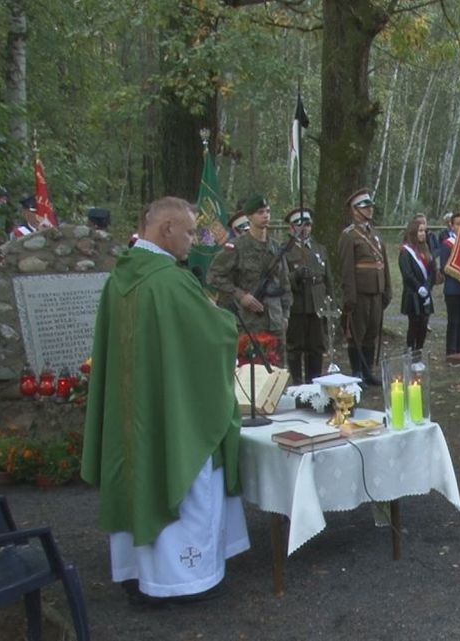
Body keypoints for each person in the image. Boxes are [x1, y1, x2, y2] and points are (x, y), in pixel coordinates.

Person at [82, 196, 249, 605]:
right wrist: (226, 322)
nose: (194, 240)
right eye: (190, 231)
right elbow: (214, 335)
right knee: (185, 473)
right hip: (172, 415)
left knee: (137, 473)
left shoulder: (119, 278)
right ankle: (182, 581)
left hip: (133, 412)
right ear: (166, 229)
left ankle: (135, 571)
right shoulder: (169, 281)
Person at [207, 194, 292, 370]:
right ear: (250, 216)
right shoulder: (237, 247)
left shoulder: (276, 248)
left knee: (278, 371)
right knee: (251, 371)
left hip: (275, 321)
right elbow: (214, 276)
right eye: (260, 212)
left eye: (268, 211)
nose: (266, 216)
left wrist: (285, 315)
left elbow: (285, 285)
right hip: (249, 322)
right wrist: (240, 295)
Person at [336, 189, 392, 384]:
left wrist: (387, 289)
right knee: (357, 334)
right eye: (365, 207)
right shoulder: (349, 236)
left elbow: (383, 264)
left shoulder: (375, 234)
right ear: (355, 210)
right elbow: (347, 269)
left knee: (371, 332)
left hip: (376, 292)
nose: (369, 210)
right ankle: (357, 372)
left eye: (370, 206)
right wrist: (350, 297)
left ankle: (368, 372)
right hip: (359, 293)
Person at [284, 207, 331, 383]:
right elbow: (281, 280)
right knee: (296, 347)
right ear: (291, 227)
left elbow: (328, 279)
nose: (304, 228)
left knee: (316, 347)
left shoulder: (320, 249)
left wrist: (330, 302)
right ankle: (297, 383)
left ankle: (315, 383)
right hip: (297, 305)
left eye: (308, 224)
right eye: (299, 225)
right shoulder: (286, 251)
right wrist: (295, 276)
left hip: (317, 304)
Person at [398, 217, 434, 352]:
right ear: (413, 232)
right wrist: (418, 287)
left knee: (424, 324)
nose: (422, 234)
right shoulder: (405, 251)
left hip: (426, 293)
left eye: (424, 231)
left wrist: (427, 287)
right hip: (412, 293)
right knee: (414, 324)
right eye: (420, 231)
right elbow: (407, 273)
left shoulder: (426, 249)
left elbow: (432, 271)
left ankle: (419, 350)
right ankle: (410, 350)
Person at [437, 212, 460, 355]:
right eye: (457, 224)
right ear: (452, 225)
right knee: (454, 321)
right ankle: (451, 351)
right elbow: (444, 267)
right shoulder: (448, 244)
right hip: (453, 289)